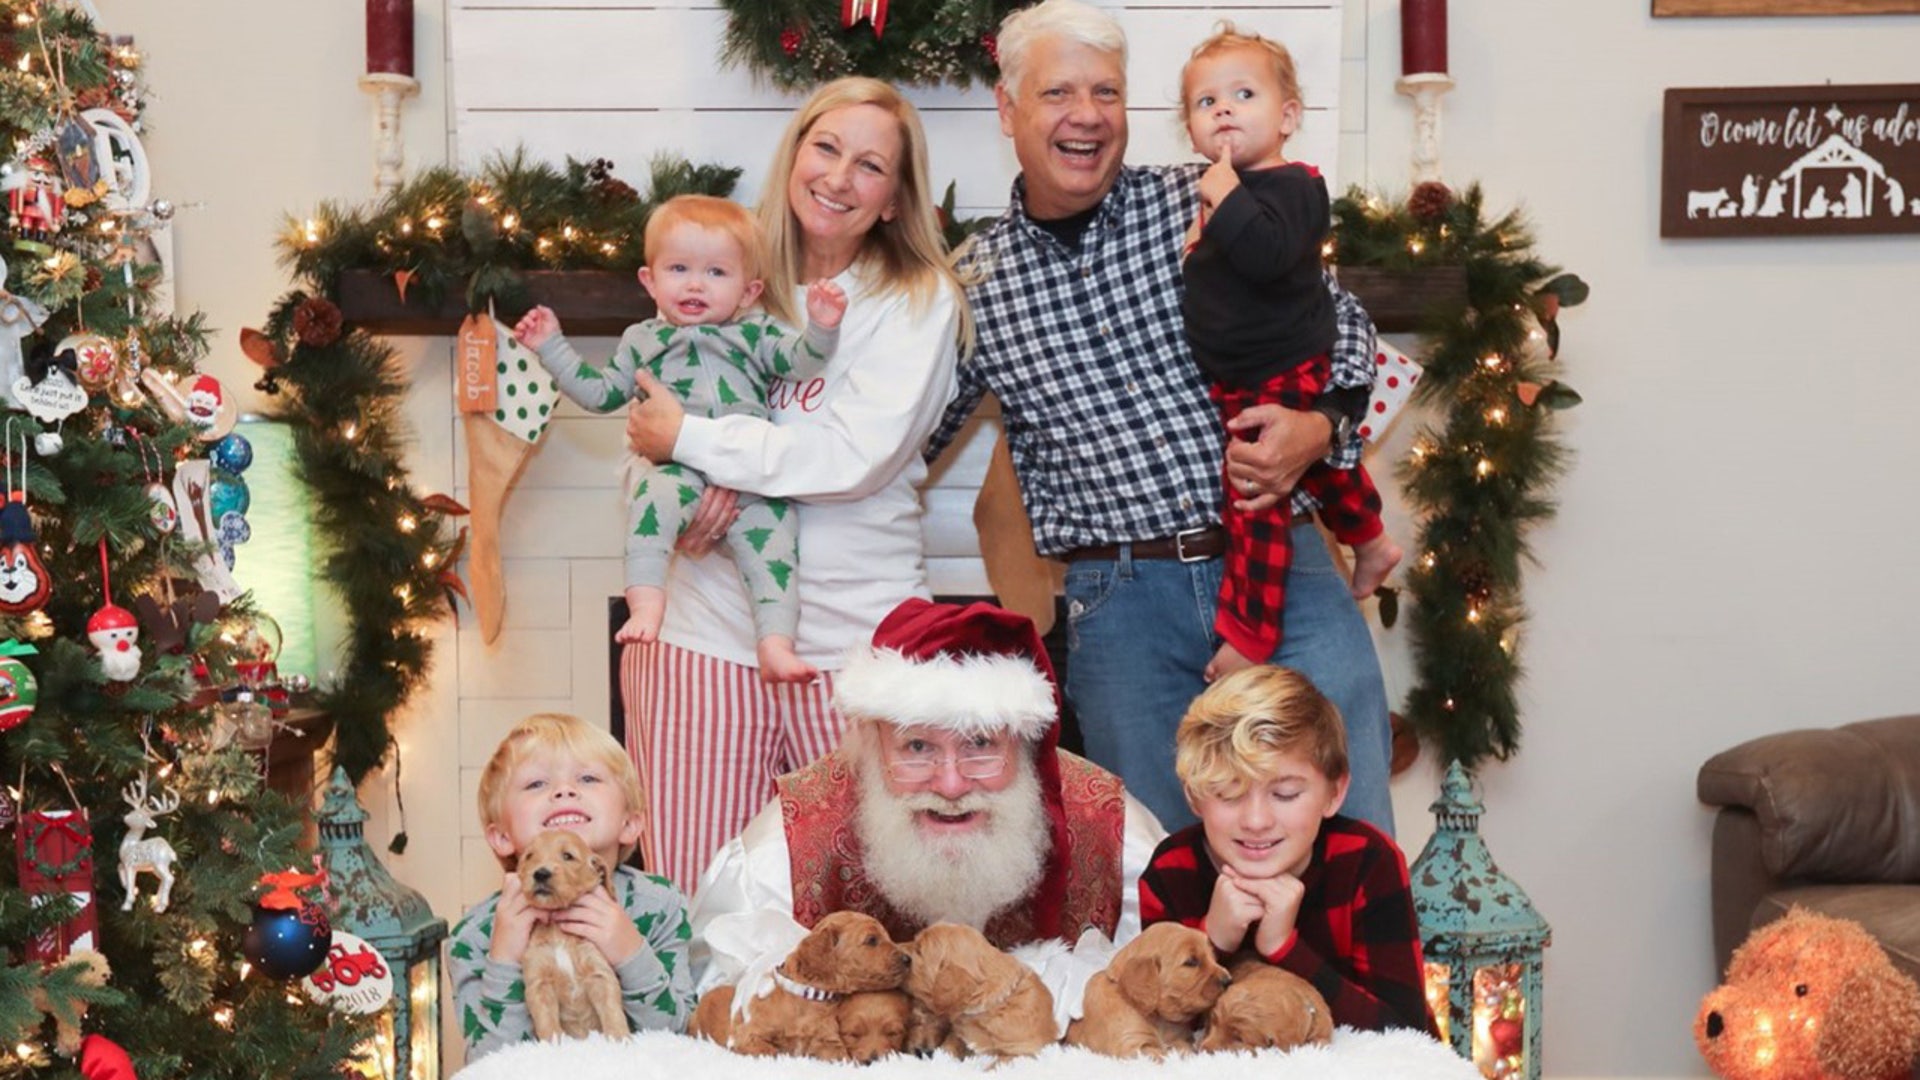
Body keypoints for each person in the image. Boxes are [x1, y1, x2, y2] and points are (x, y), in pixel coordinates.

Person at [925, 0, 1396, 837]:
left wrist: (1320, 427)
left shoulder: (1208, 203)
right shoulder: (972, 285)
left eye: (1106, 92)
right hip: (1123, 608)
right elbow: (900, 435)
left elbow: (1343, 321)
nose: (1086, 116)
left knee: (1351, 848)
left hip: (1281, 567)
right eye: (1058, 92)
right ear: (1008, 109)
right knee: (1156, 879)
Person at [620, 77, 967, 893]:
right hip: (701, 637)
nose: (840, 177)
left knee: (867, 913)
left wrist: (701, 445)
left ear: (893, 200)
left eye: (871, 165)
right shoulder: (723, 270)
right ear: (794, 154)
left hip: (854, 650)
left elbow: (856, 459)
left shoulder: (917, 303)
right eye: (826, 147)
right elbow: (644, 417)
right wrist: (670, 486)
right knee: (698, 901)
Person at [690, 597, 1165, 991]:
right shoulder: (788, 847)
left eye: (980, 746)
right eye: (918, 747)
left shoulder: (1113, 834)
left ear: (1024, 748)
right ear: (873, 745)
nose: (951, 786)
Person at [515, 195, 848, 683]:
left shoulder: (755, 334)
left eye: (716, 273)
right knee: (650, 503)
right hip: (678, 471)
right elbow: (601, 392)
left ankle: (775, 644)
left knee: (777, 544)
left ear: (749, 290)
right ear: (650, 281)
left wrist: (822, 326)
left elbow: (803, 362)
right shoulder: (642, 340)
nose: (695, 283)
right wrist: (551, 347)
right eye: (678, 268)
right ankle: (646, 605)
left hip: (755, 480)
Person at [1179, 26, 1402, 682]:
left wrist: (1224, 203)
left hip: (1282, 362)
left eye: (1243, 95)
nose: (1223, 110)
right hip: (1242, 371)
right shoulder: (1218, 195)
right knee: (1318, 468)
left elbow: (1271, 255)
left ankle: (1251, 633)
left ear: (1287, 117)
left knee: (1254, 493)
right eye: (1205, 102)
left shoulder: (1295, 187)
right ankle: (1371, 541)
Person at [1138, 666, 1435, 1035]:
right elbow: (1155, 1035)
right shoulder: (1171, 871)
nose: (1257, 820)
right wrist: (1211, 943)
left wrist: (1285, 948)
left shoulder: (1368, 861)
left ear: (1335, 793)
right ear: (1194, 796)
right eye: (1229, 793)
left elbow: (1406, 1036)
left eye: (1285, 794)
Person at [449, 713, 695, 1060]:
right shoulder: (473, 937)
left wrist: (630, 952)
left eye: (588, 778)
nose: (564, 790)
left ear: (630, 823)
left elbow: (682, 1038)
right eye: (536, 784)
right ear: (502, 837)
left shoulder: (659, 905)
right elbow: (487, 1063)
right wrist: (503, 959)